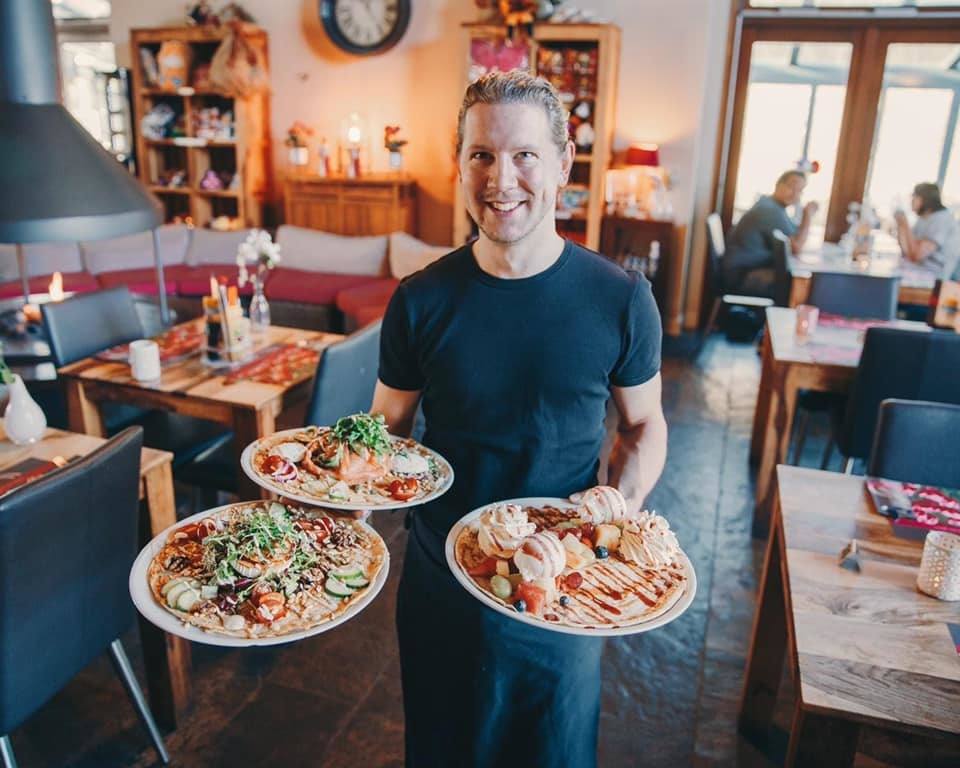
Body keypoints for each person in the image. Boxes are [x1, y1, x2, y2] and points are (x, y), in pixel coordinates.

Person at [371, 70, 667, 768]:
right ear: (461, 165)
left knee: (552, 753)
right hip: (441, 575)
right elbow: (385, 429)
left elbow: (645, 426)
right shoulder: (419, 300)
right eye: (481, 155)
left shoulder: (620, 300)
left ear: (563, 164)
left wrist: (619, 510)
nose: (501, 178)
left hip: (561, 581)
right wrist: (345, 499)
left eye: (524, 155)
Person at [723, 170, 819, 298]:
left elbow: (795, 234)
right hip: (741, 275)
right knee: (801, 285)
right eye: (791, 187)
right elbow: (797, 246)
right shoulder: (769, 210)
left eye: (800, 190)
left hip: (746, 270)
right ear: (778, 185)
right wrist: (808, 215)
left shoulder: (775, 207)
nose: (795, 194)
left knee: (799, 281)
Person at [894, 182, 960, 280]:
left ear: (925, 199)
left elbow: (917, 255)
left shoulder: (942, 219)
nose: (911, 201)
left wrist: (906, 225)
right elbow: (907, 251)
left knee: (891, 276)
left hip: (936, 277)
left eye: (914, 197)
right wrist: (901, 225)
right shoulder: (924, 218)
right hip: (920, 269)